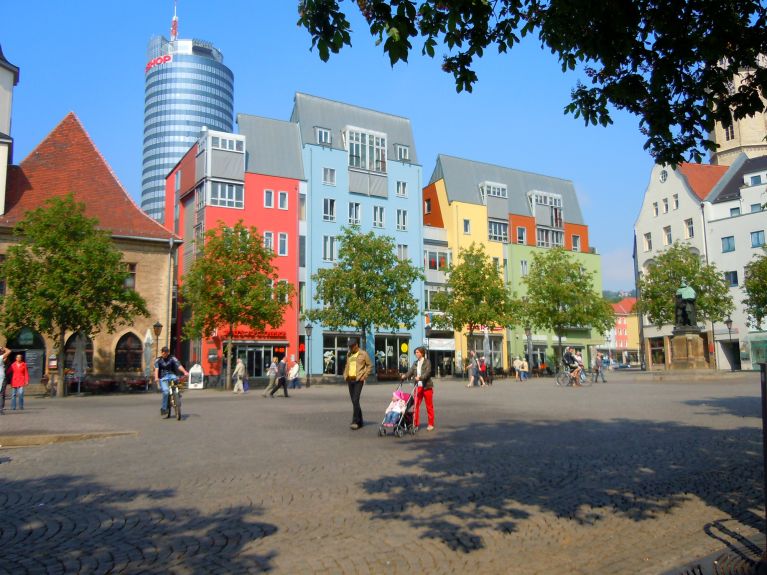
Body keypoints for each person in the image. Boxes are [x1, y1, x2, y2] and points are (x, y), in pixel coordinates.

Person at [402, 346, 435, 431]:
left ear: (422, 353)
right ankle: (415, 423)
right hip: (418, 387)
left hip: (427, 387)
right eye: (415, 352)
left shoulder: (427, 362)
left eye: (417, 352)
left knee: (429, 406)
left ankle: (431, 424)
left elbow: (428, 373)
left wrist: (420, 378)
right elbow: (410, 372)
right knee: (415, 406)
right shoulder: (415, 363)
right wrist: (404, 376)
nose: (416, 354)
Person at [343, 337, 372, 430]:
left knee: (355, 400)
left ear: (356, 345)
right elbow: (347, 365)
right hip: (350, 379)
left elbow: (369, 365)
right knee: (354, 401)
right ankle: (360, 421)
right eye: (349, 347)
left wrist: (365, 376)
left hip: (358, 379)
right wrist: (345, 375)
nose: (350, 348)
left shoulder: (363, 354)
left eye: (352, 346)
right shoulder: (349, 354)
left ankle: (355, 421)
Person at [154, 346, 189, 417]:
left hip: (171, 375)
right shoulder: (158, 360)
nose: (166, 354)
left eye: (167, 352)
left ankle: (177, 394)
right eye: (164, 352)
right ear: (162, 352)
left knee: (177, 380)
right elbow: (156, 369)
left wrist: (185, 372)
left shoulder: (172, 358)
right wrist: (156, 377)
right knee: (166, 392)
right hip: (163, 377)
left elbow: (178, 365)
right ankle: (164, 408)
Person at [0, 344, 12, 414]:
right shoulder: (0, 358)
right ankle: (1, 409)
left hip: (2, 377)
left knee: (1, 394)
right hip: (2, 378)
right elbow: (9, 351)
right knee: (1, 394)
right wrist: (3, 348)